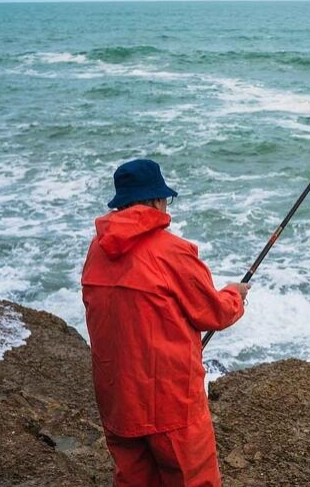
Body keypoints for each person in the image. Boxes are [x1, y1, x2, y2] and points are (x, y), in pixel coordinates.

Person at [82, 158, 249, 486]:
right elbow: (214, 312)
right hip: (170, 402)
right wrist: (235, 294)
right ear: (156, 201)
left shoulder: (97, 251)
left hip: (116, 399)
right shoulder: (172, 252)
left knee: (134, 480)